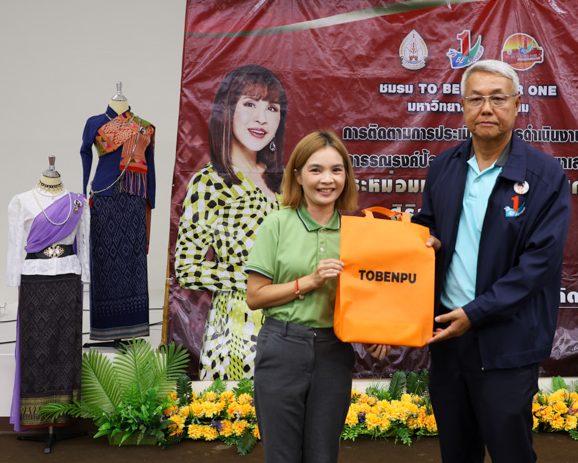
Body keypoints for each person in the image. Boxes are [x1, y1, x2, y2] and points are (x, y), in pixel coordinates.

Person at [412, 60, 571, 463]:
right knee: (457, 453)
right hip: (449, 336)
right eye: (476, 99)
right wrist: (423, 242)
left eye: (498, 99)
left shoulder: (545, 175)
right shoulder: (444, 167)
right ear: (463, 106)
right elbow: (425, 231)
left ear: (517, 104)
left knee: (510, 453)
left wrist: (476, 312)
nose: (486, 109)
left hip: (507, 341)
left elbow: (538, 264)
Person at [245, 131, 391, 462]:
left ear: (346, 176)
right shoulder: (277, 224)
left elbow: (364, 298)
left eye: (337, 170)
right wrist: (307, 282)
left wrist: (372, 336)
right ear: (297, 175)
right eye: (316, 170)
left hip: (333, 351)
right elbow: (255, 296)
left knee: (323, 455)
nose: (327, 179)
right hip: (281, 348)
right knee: (281, 455)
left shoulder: (359, 232)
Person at [175, 64, 288, 380]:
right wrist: (255, 283)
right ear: (227, 111)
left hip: (289, 322)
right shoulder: (210, 182)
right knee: (238, 409)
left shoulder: (284, 183)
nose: (261, 118)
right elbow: (187, 268)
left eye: (272, 108)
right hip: (238, 327)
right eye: (250, 104)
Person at [7, 157, 89, 437]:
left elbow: (84, 242)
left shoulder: (77, 203)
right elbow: (15, 244)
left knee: (67, 345)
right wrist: (13, 278)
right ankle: (37, 416)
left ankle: (63, 415)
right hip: (34, 278)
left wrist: (86, 274)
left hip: (68, 277)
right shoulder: (22, 201)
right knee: (36, 346)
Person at [80, 85, 155, 343]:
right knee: (104, 261)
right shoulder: (94, 123)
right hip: (104, 196)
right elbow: (85, 152)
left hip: (134, 199)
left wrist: (150, 199)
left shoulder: (144, 126)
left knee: (133, 264)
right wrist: (83, 188)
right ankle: (106, 329)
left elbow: (150, 166)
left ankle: (133, 328)